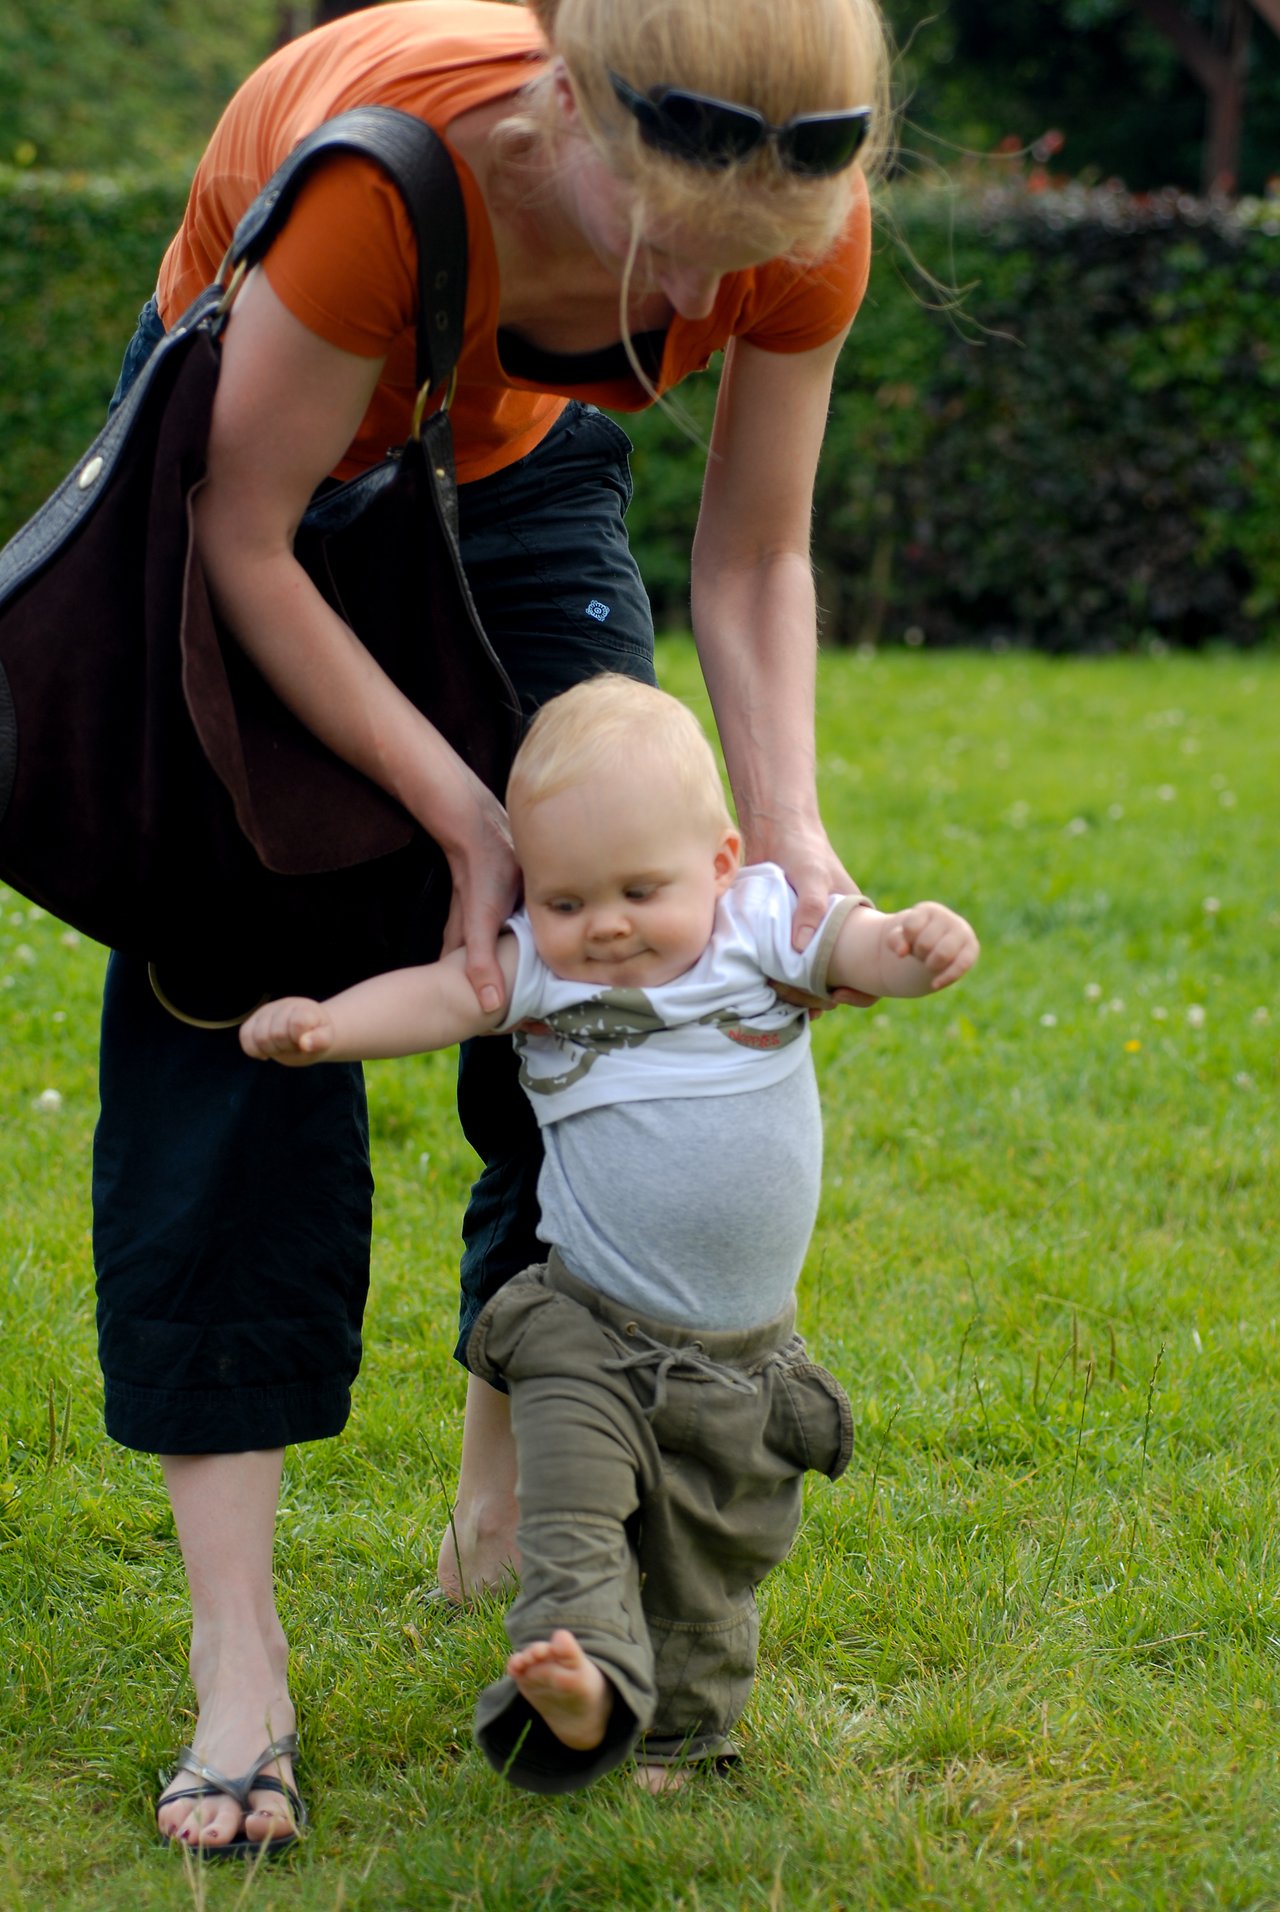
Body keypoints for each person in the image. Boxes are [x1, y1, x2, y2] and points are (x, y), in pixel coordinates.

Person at [92, 0, 895, 1853]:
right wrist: (466, 818)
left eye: (738, 270)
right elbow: (247, 531)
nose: (699, 299)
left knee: (625, 936)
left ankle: (514, 1453)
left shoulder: (799, 198)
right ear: (570, 120)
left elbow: (755, 551)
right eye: (669, 247)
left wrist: (788, 848)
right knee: (235, 1015)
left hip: (511, 470)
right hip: (252, 480)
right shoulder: (391, 174)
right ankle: (242, 1656)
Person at [238, 674, 979, 1793]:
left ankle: (673, 1732)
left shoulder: (760, 929)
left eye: (640, 889)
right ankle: (573, 1668)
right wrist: (328, 1026)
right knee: (575, 1524)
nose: (607, 926)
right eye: (568, 899)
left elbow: (858, 951)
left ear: (723, 864)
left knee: (702, 1565)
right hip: (585, 1331)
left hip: (740, 1360)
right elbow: (444, 999)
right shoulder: (541, 964)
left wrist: (910, 945)